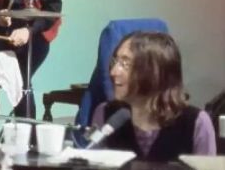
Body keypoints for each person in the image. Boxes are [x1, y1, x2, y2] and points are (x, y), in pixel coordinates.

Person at [91, 31, 216, 160]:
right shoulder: (105, 114)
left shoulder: (196, 123)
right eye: (115, 62)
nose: (113, 72)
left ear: (155, 72)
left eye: (125, 63)